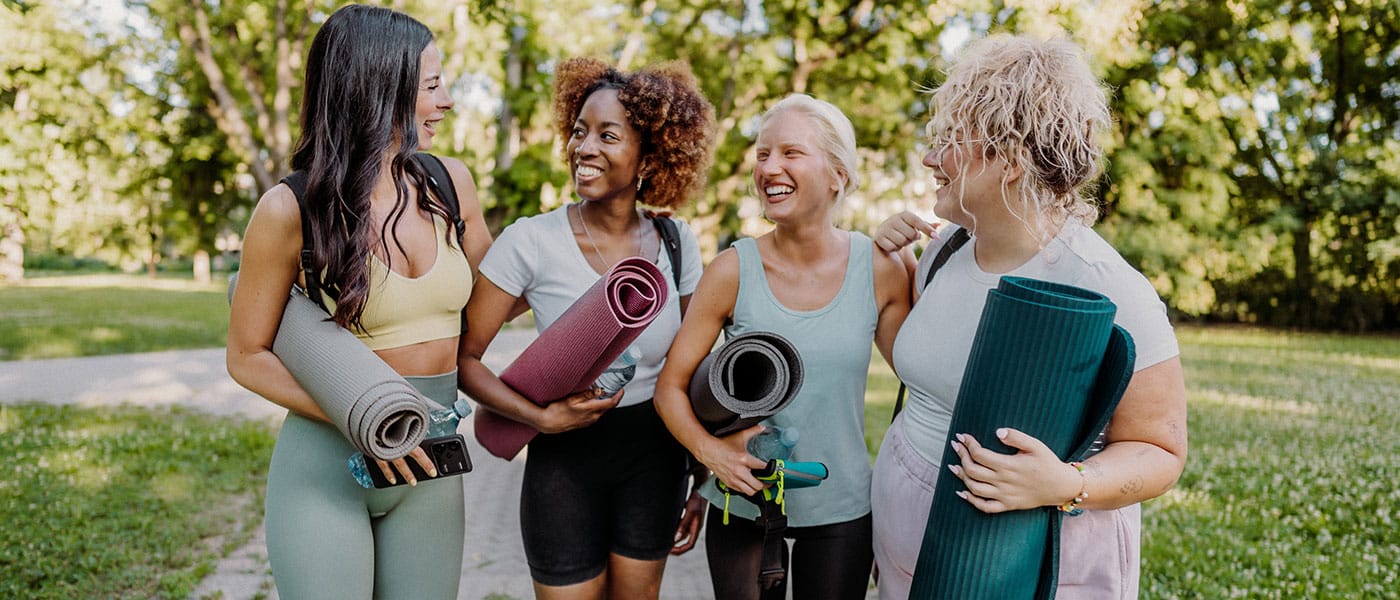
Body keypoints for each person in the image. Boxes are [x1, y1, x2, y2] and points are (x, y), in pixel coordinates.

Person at [869, 35, 1188, 599]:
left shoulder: (1107, 285)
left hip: (1033, 557)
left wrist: (1066, 483)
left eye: (949, 142)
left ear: (1011, 161)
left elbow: (1161, 452)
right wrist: (892, 272)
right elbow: (937, 374)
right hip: (911, 540)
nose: (928, 159)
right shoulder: (943, 253)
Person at [226, 5, 491, 598]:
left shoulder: (450, 184)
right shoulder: (289, 208)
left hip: (430, 467)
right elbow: (246, 355)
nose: (447, 100)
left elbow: (500, 295)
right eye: (431, 86)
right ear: (378, 88)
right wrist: (368, 420)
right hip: (327, 469)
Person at [457, 57, 716, 600]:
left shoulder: (676, 242)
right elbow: (465, 359)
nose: (585, 148)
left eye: (608, 135)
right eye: (579, 132)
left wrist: (701, 474)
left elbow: (690, 367)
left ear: (649, 156)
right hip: (564, 461)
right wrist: (541, 419)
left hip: (656, 456)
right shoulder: (531, 241)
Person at [654, 94, 912, 600]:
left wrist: (916, 260)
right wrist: (713, 455)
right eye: (763, 154)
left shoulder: (880, 267)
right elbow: (670, 388)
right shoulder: (731, 270)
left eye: (790, 153)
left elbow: (924, 375)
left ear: (838, 174)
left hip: (841, 505)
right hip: (744, 500)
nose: (769, 167)